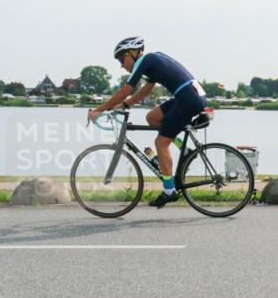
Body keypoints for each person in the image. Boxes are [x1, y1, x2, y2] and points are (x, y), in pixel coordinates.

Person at [88, 37, 207, 208]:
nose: (122, 65)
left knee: (161, 142)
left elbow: (126, 90)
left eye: (122, 59)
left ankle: (169, 191)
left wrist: (99, 110)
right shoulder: (152, 60)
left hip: (188, 99)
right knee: (152, 118)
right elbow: (147, 89)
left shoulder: (145, 61)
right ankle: (185, 149)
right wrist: (126, 104)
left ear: (133, 53)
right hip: (190, 96)